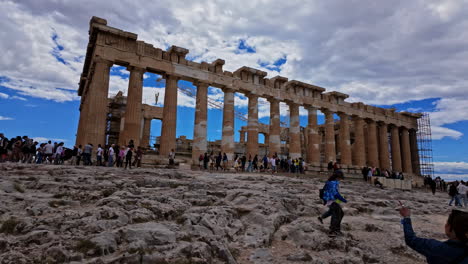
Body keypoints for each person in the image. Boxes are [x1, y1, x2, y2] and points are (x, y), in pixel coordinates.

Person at [398, 206, 468, 263]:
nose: (445, 225)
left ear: (451, 228)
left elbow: (411, 239)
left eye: (447, 223)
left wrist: (406, 217)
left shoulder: (437, 248)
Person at [317, 170, 347, 237]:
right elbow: (335, 194)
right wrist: (343, 200)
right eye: (340, 177)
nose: (340, 179)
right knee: (336, 214)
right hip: (331, 201)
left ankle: (337, 229)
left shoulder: (333, 182)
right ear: (336, 177)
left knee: (340, 213)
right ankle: (333, 231)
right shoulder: (332, 183)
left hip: (332, 201)